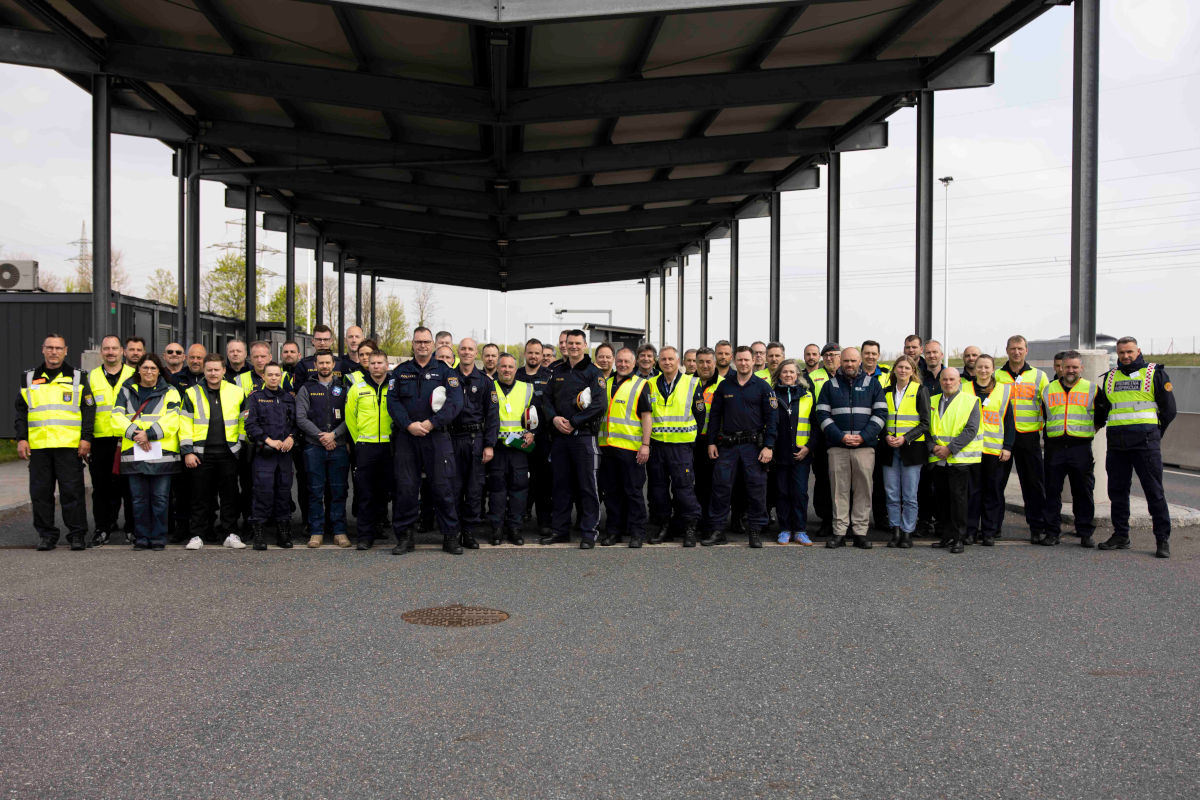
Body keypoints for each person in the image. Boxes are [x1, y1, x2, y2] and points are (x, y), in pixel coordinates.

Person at [1095, 336, 1176, 558]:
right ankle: (1121, 535)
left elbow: (1169, 410)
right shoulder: (1110, 377)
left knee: (1154, 492)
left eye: (1129, 352)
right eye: (1121, 352)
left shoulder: (1154, 373)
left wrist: (1155, 434)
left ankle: (1162, 539)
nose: (1125, 356)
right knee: (1117, 492)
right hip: (1117, 445)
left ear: (1138, 351)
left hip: (1145, 444)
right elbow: (1104, 410)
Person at [388, 327, 465, 555]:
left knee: (443, 488)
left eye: (426, 342)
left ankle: (450, 536)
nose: (422, 345)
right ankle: (405, 538)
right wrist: (408, 425)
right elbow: (393, 402)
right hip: (407, 437)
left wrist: (432, 423)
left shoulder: (445, 371)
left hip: (437, 437)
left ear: (433, 344)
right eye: (418, 342)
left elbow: (455, 403)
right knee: (406, 489)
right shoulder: (400, 372)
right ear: (412, 344)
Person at [17, 334, 94, 551]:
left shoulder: (78, 376)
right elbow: (21, 411)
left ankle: (77, 535)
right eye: (50, 347)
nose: (54, 352)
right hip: (39, 447)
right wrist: (22, 438)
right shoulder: (29, 377)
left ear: (65, 351)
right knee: (40, 494)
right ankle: (46, 535)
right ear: (43, 349)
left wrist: (86, 438)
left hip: (69, 447)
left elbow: (89, 410)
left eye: (58, 348)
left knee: (72, 493)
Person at [703, 346, 776, 548]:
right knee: (720, 488)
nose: (743, 363)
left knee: (756, 489)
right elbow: (715, 416)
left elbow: (772, 419)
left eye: (747, 360)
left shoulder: (763, 387)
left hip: (753, 447)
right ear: (735, 361)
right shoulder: (724, 386)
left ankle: (755, 530)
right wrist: (711, 442)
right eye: (740, 360)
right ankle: (718, 530)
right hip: (728, 446)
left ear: (753, 361)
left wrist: (769, 446)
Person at [814, 346, 886, 549]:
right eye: (846, 361)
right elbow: (822, 415)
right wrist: (841, 436)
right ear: (840, 362)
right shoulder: (830, 385)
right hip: (838, 447)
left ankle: (860, 532)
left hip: (864, 448)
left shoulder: (873, 384)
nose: (849, 364)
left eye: (853, 361)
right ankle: (839, 532)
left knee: (863, 490)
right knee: (839, 491)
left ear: (859, 361)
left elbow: (881, 414)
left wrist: (863, 437)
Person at [539, 329, 605, 548]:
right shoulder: (557, 371)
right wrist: (554, 418)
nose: (574, 347)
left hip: (583, 437)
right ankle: (560, 531)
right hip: (560, 438)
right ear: (565, 345)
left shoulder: (594, 372)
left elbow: (599, 404)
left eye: (578, 343)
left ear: (585, 345)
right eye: (570, 343)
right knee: (561, 487)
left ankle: (589, 533)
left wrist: (574, 421)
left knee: (587, 487)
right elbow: (546, 399)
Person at [111, 354, 182, 550]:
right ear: (138, 370)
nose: (149, 371)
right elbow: (116, 417)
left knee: (160, 500)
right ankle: (141, 538)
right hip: (134, 453)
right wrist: (137, 434)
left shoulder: (171, 391)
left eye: (153, 368)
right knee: (138, 500)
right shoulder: (125, 390)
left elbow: (173, 419)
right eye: (145, 368)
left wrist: (148, 434)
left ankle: (158, 538)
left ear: (159, 371)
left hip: (162, 455)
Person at [179, 353, 248, 549]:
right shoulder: (191, 393)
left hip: (229, 453)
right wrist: (188, 451)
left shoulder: (236, 392)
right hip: (201, 454)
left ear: (224, 370)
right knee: (200, 497)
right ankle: (197, 535)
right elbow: (184, 423)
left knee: (230, 497)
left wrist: (240, 445)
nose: (213, 373)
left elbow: (244, 420)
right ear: (204, 370)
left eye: (217, 369)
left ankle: (230, 534)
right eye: (209, 370)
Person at [996, 334, 1051, 543]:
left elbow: (1048, 407)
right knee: (996, 483)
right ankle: (993, 527)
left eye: (1020, 348)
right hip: (1002, 437)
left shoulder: (1039, 376)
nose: (1016, 352)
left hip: (1028, 436)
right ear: (1007, 350)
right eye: (1013, 348)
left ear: (1026, 350)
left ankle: (1037, 527)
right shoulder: (996, 375)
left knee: (1033, 485)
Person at [646, 346, 704, 546]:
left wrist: (691, 440)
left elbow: (700, 415)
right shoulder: (651, 384)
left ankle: (689, 528)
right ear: (658, 362)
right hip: (657, 446)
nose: (667, 362)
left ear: (678, 361)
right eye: (663, 359)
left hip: (681, 447)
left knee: (684, 489)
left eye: (671, 359)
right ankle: (664, 527)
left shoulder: (691, 382)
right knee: (658, 490)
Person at [1041, 350, 1098, 548]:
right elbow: (1043, 414)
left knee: (1083, 492)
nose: (1071, 370)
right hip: (1055, 448)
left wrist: (1093, 429)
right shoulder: (1048, 389)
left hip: (1080, 448)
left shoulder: (1092, 389)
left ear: (1081, 368)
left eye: (1075, 367)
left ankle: (1085, 532)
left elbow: (1102, 413)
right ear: (1061, 368)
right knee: (1052, 492)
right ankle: (1052, 533)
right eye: (1067, 367)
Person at [296, 350, 351, 549]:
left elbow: (350, 416)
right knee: (314, 491)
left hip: (338, 447)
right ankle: (316, 532)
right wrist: (322, 436)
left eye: (328, 362)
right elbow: (301, 418)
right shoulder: (306, 388)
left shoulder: (343, 388)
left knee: (339, 491)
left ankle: (339, 532)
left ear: (334, 365)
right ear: (316, 365)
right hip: (314, 447)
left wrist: (333, 435)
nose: (325, 366)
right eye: (321, 363)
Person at [598, 347, 653, 547]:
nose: (622, 364)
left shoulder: (641, 385)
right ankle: (614, 531)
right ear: (615, 361)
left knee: (633, 492)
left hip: (631, 449)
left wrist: (645, 445)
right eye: (619, 361)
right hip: (607, 447)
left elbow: (647, 417)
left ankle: (637, 533)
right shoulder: (605, 383)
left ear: (634, 363)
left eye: (626, 361)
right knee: (612, 493)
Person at [86, 335, 136, 546]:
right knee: (101, 488)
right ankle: (102, 529)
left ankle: (132, 529)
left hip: (129, 439)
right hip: (101, 440)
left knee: (130, 487)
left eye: (114, 348)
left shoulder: (134, 375)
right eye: (106, 348)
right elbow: (85, 411)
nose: (110, 352)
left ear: (122, 351)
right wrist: (85, 439)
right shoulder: (91, 377)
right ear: (101, 352)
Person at [449, 338, 499, 550]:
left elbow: (493, 416)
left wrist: (489, 444)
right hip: (452, 439)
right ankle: (452, 533)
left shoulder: (485, 381)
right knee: (452, 488)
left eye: (470, 349)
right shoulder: (449, 378)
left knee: (474, 489)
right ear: (458, 351)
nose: (467, 352)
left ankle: (469, 531)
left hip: (475, 440)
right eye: (463, 349)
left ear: (476, 353)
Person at [927, 367, 982, 554]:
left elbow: (971, 430)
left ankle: (959, 538)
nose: (948, 382)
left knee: (958, 501)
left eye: (952, 379)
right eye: (945, 379)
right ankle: (946, 536)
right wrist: (933, 447)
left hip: (959, 460)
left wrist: (950, 449)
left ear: (959, 381)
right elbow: (926, 427)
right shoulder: (932, 400)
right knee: (941, 500)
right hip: (938, 459)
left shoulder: (971, 401)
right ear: (940, 381)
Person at [243, 362, 297, 549]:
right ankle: (259, 533)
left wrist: (292, 437)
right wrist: (268, 440)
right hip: (264, 454)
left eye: (277, 375)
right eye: (270, 375)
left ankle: (283, 532)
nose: (274, 378)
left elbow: (296, 423)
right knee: (262, 492)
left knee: (283, 492)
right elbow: (250, 424)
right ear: (264, 377)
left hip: (284, 454)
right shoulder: (255, 398)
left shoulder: (288, 398)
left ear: (281, 376)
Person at [879, 355, 929, 549]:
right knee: (891, 493)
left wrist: (906, 438)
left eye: (907, 368)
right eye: (899, 367)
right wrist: (885, 436)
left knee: (909, 495)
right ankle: (896, 531)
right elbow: (880, 418)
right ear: (894, 370)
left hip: (912, 449)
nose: (903, 370)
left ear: (913, 371)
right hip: (889, 448)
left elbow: (925, 423)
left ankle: (907, 532)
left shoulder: (920, 390)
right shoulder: (885, 392)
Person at [964, 354, 1014, 546]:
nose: (983, 370)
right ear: (975, 368)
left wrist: (1007, 446)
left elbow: (1009, 421)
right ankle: (970, 531)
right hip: (971, 450)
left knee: (992, 492)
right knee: (972, 492)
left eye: (987, 367)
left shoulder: (1003, 390)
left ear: (993, 369)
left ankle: (989, 532)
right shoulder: (964, 389)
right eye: (980, 367)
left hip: (994, 451)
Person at [346, 350, 393, 549]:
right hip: (366, 446)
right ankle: (365, 536)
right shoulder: (357, 388)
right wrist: (359, 440)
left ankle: (379, 527)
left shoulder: (394, 386)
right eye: (372, 363)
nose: (376, 366)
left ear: (387, 365)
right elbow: (350, 417)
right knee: (365, 493)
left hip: (390, 446)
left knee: (385, 491)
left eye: (380, 363)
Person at [487, 353, 534, 546]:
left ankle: (515, 529)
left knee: (519, 489)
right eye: (503, 366)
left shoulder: (527, 388)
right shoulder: (489, 387)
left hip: (518, 448)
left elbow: (536, 416)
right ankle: (497, 529)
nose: (507, 370)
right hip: (497, 448)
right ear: (497, 368)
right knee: (497, 490)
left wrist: (533, 433)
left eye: (510, 367)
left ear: (516, 369)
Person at [773, 360, 813, 545]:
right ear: (779, 375)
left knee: (800, 493)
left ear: (798, 375)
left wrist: (809, 447)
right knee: (782, 492)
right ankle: (785, 529)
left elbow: (816, 425)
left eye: (792, 372)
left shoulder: (808, 396)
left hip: (801, 454)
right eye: (785, 372)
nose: (788, 375)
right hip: (779, 453)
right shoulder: (771, 395)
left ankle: (800, 530)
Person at [517, 338, 554, 536]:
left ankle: (544, 522)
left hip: (541, 438)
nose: (533, 356)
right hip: (517, 438)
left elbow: (551, 408)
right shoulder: (515, 375)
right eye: (530, 352)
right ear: (525, 354)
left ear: (542, 355)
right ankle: (516, 520)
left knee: (543, 482)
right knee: (518, 480)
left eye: (537, 353)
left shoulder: (550, 377)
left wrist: (535, 433)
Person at [807, 343, 840, 538]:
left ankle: (844, 520)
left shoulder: (847, 376)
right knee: (822, 480)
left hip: (842, 436)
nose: (829, 358)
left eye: (833, 355)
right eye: (826, 355)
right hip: (821, 436)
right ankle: (826, 519)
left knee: (844, 481)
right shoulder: (813, 377)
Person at [862, 339, 892, 531]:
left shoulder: (888, 376)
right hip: (862, 435)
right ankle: (859, 520)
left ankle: (881, 518)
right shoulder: (854, 375)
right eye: (867, 353)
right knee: (860, 482)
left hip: (882, 436)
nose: (870, 356)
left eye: (874, 353)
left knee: (880, 482)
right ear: (862, 355)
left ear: (878, 355)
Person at [693, 347, 722, 539]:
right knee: (692, 485)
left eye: (708, 361)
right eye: (701, 361)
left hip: (714, 442)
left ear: (714, 363)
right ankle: (694, 521)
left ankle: (710, 525)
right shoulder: (688, 382)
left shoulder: (723, 384)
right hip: (691, 441)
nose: (705, 365)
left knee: (712, 485)